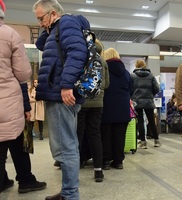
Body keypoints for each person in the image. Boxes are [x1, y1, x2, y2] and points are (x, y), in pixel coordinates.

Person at [32, 0, 90, 199]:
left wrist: (66, 85)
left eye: (41, 18)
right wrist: (48, 27)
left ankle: (71, 195)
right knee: (68, 145)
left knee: (65, 148)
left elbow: (77, 53)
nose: (40, 23)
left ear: (53, 13)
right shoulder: (57, 28)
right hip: (58, 93)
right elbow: (42, 45)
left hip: (60, 94)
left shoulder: (66, 23)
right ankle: (68, 191)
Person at [0, 0, 32, 193]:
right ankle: (26, 180)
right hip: (7, 101)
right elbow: (22, 75)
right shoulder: (10, 34)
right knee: (15, 140)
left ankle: (7, 179)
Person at [77, 39, 110, 182]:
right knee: (95, 135)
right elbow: (107, 84)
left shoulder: (80, 58)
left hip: (81, 102)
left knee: (76, 136)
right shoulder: (103, 62)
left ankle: (74, 171)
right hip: (97, 103)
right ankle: (98, 171)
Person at [101, 48, 131, 170]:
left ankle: (106, 161)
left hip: (107, 106)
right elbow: (130, 89)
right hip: (123, 107)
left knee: (105, 135)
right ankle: (118, 161)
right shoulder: (126, 72)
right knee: (120, 135)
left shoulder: (103, 70)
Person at [131, 59, 161, 149]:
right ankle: (156, 141)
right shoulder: (151, 75)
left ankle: (143, 142)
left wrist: (133, 96)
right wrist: (151, 95)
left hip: (137, 101)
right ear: (144, 65)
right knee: (151, 121)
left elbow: (129, 88)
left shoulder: (132, 76)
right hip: (149, 101)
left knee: (140, 121)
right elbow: (156, 88)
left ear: (136, 65)